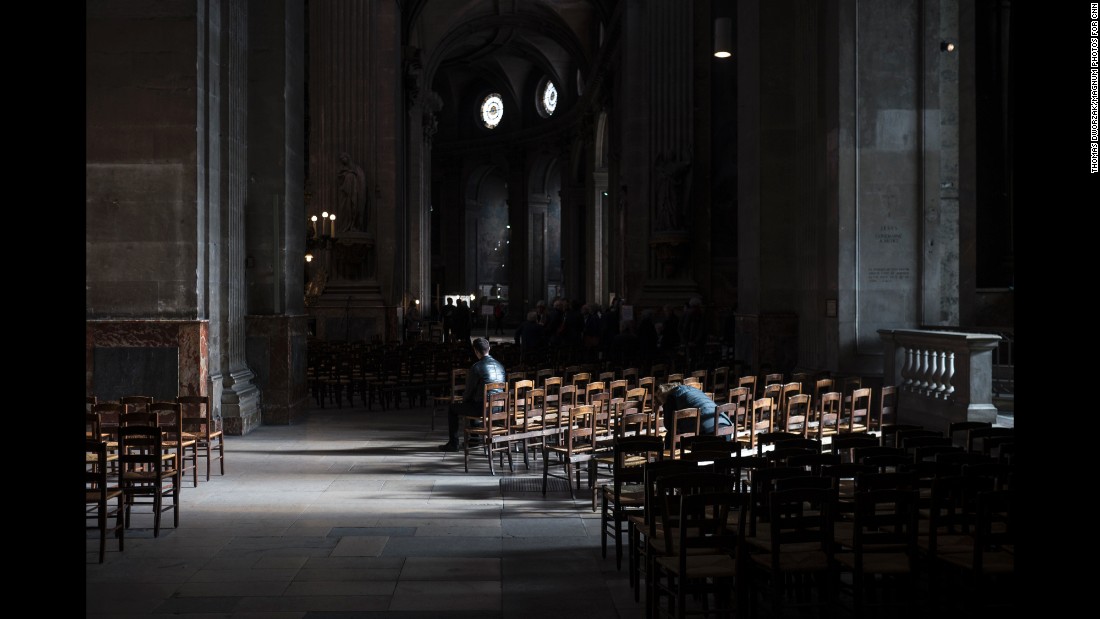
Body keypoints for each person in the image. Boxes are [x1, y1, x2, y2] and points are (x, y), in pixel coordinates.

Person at [439, 337, 507, 452]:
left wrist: (464, 400)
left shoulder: (477, 367)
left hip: (482, 408)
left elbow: (469, 391)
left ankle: (453, 443)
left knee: (453, 408)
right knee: (473, 403)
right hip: (499, 408)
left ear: (475, 351)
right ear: (489, 348)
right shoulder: (500, 366)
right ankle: (474, 440)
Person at [654, 382, 733, 447]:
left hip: (708, 432)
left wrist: (665, 406)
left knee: (670, 436)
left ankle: (673, 462)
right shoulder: (693, 390)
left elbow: (669, 425)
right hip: (727, 428)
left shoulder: (672, 396)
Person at [336, 152, 367, 232]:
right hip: (345, 196)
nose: (343, 160)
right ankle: (345, 226)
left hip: (354, 194)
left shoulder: (356, 170)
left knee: (354, 208)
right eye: (341, 159)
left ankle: (354, 225)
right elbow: (340, 181)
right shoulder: (342, 171)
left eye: (344, 158)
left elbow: (361, 182)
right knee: (345, 210)